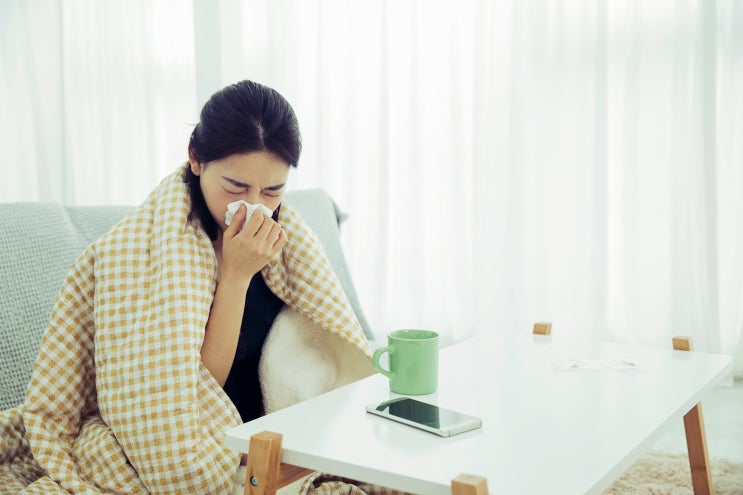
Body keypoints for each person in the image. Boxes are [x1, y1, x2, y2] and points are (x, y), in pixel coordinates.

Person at [0, 80, 374, 494]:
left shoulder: (288, 239)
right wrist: (235, 276)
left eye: (273, 190)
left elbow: (332, 353)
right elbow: (183, 400)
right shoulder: (142, 251)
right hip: (205, 444)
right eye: (235, 187)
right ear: (196, 159)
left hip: (274, 436)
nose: (254, 206)